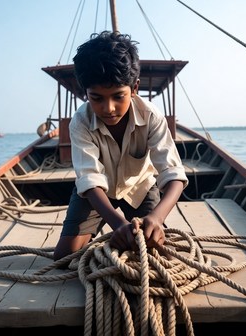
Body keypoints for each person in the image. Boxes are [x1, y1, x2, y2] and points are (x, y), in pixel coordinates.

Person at [53, 31, 188, 260]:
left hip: (139, 188)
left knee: (154, 255)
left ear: (134, 88)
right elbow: (89, 178)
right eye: (97, 98)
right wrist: (117, 224)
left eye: (118, 96)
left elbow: (173, 174)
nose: (109, 108)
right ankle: (102, 241)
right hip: (95, 194)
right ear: (86, 93)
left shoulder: (151, 116)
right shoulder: (81, 121)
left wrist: (156, 217)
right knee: (64, 257)